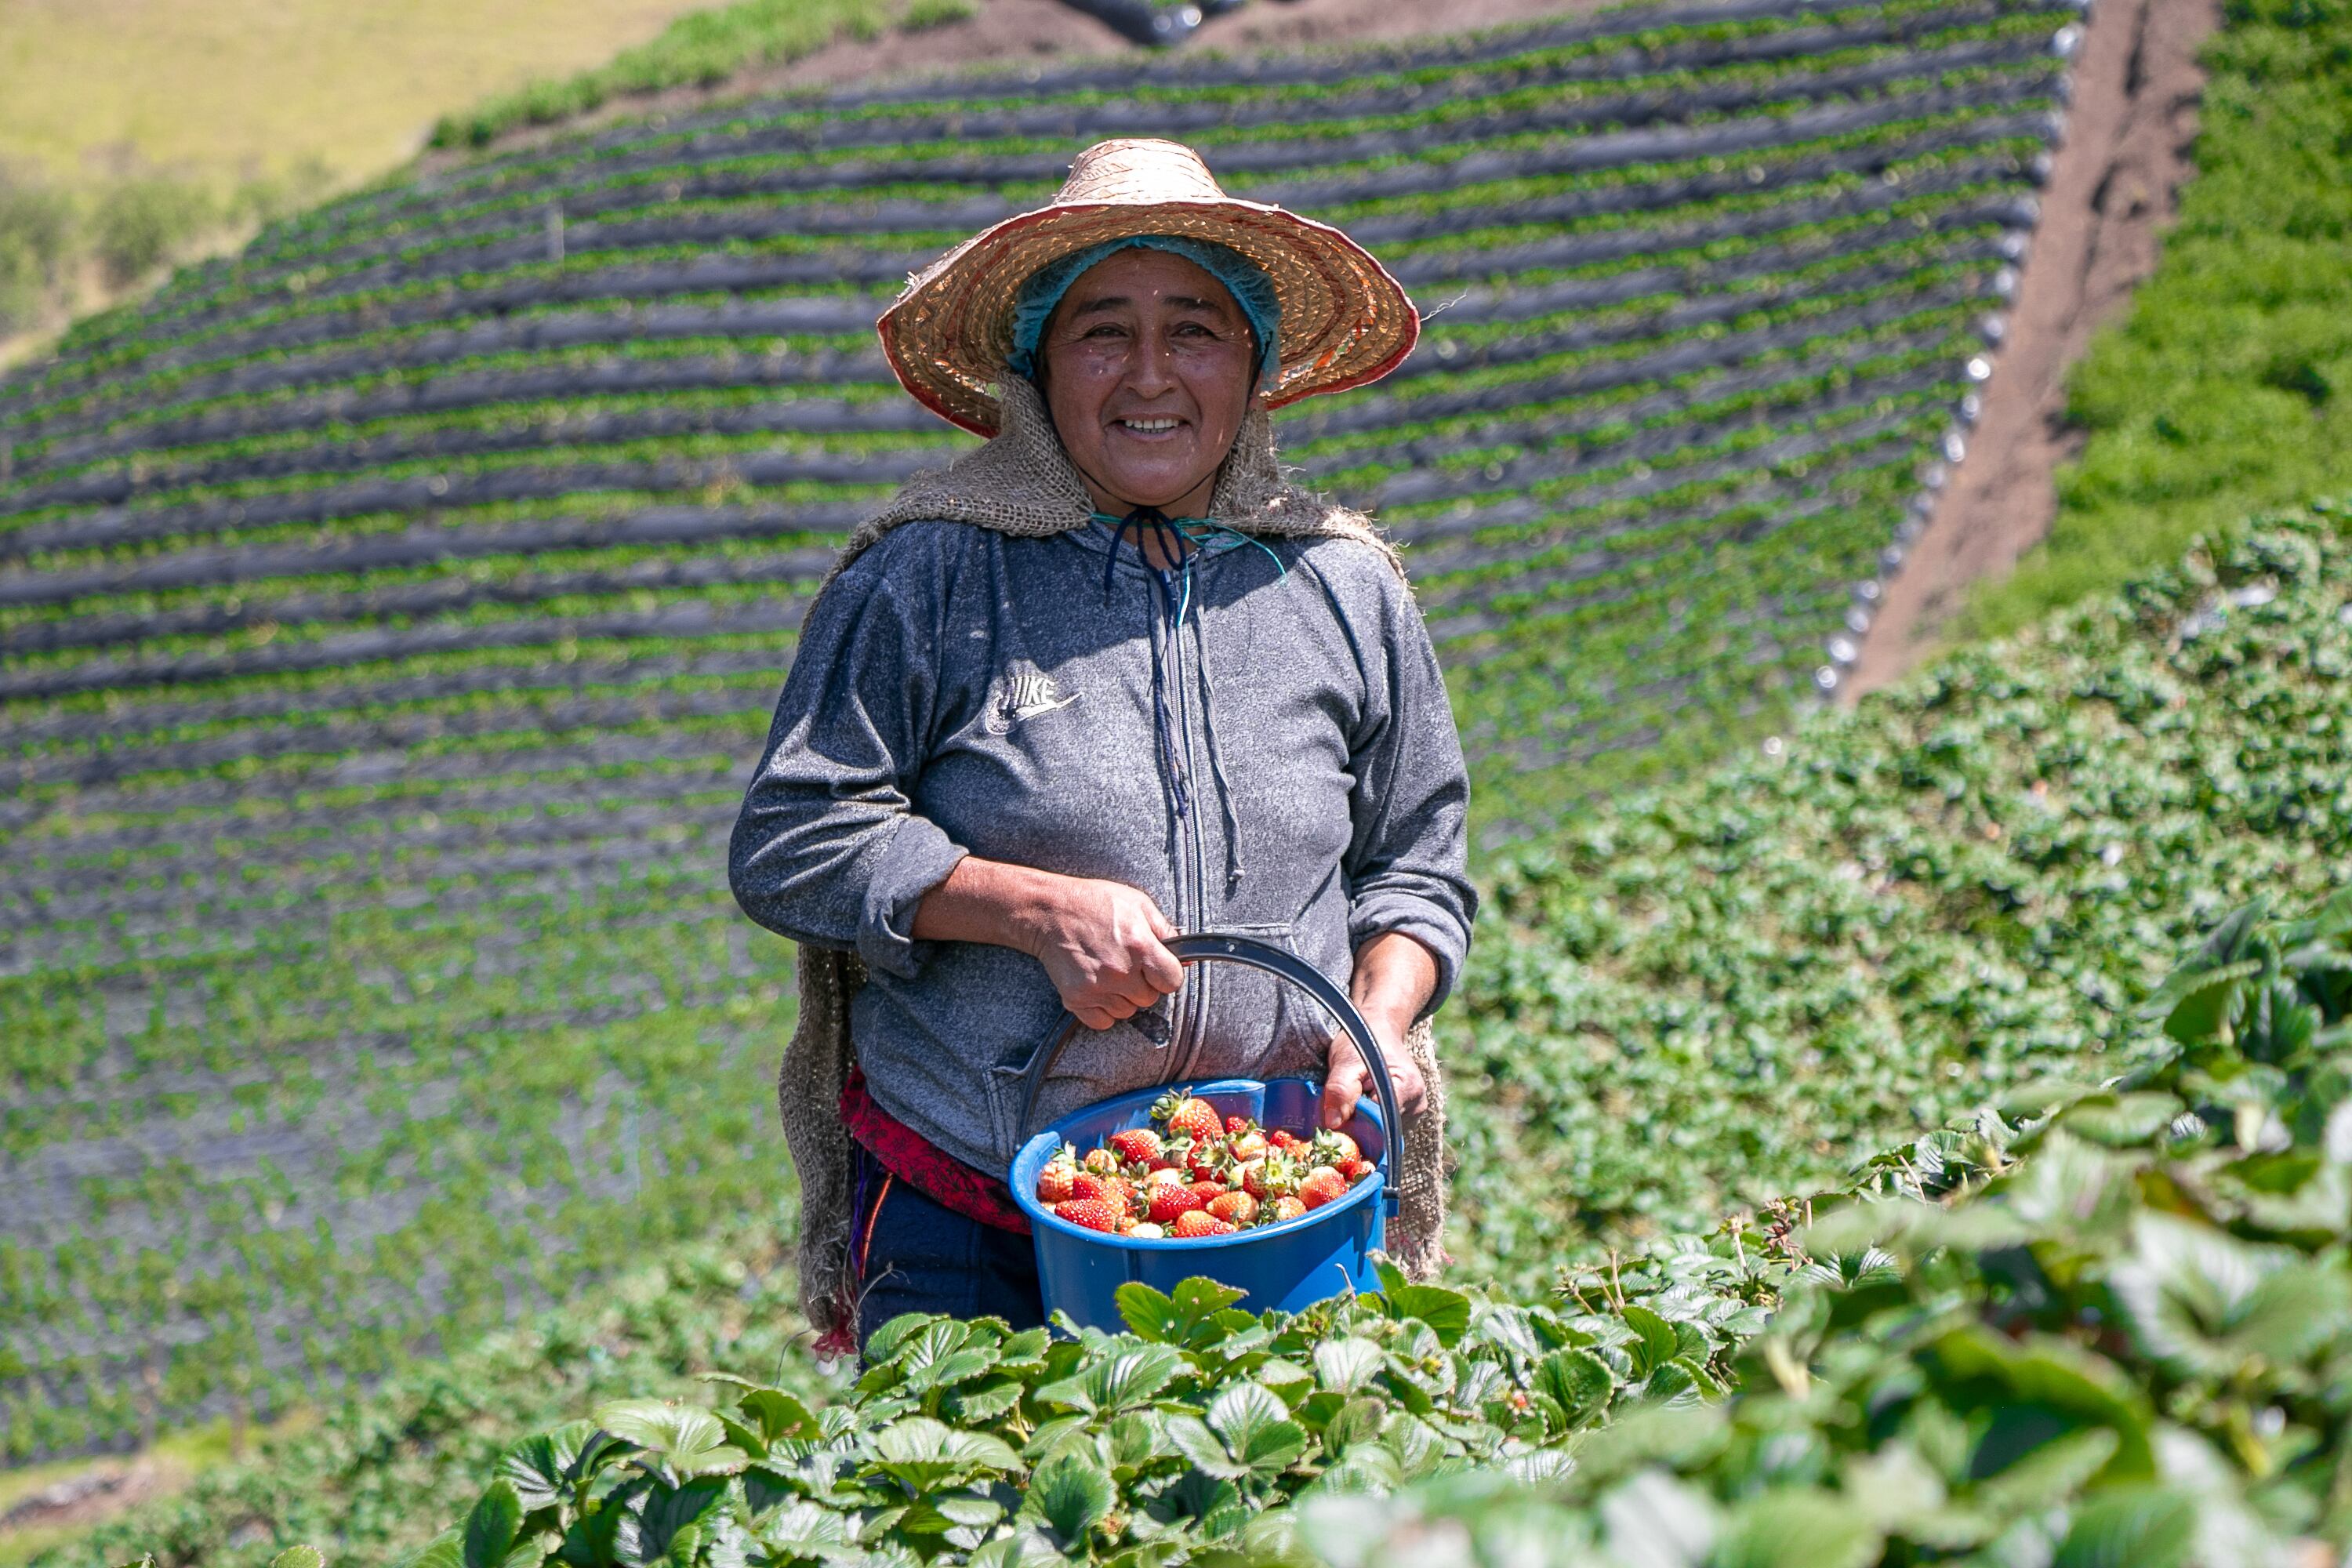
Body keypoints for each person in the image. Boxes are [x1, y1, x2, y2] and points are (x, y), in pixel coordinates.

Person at [729, 138, 1475, 1353]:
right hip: (974, 1215)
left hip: (1271, 1191)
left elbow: (1419, 865)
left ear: (1254, 365)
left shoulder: (1342, 584)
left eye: (1194, 329)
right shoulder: (932, 573)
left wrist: (1380, 1017)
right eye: (1100, 331)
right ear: (1035, 364)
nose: (1150, 375)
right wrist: (1027, 909)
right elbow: (792, 840)